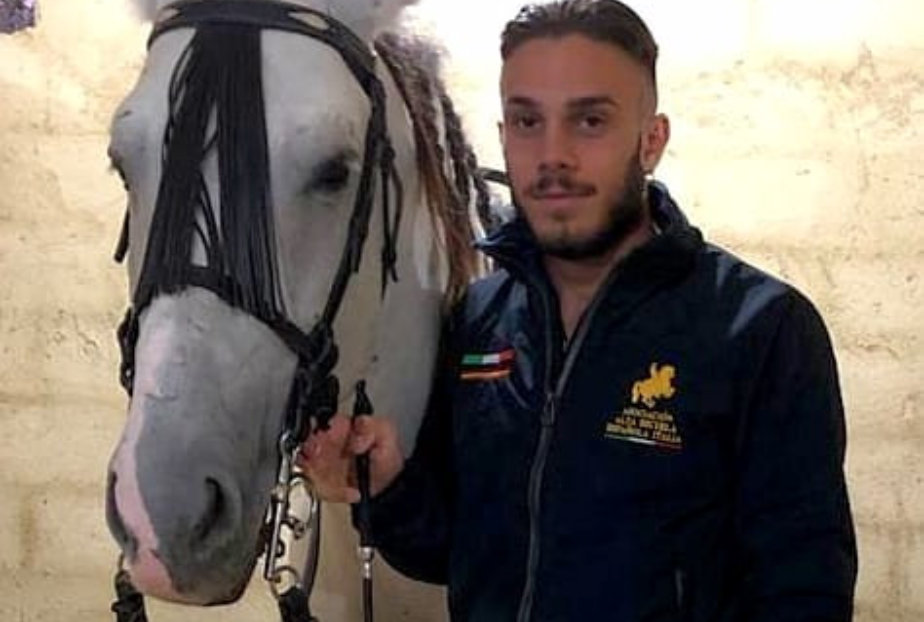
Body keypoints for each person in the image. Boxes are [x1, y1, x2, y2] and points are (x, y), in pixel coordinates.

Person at [298, 1, 858, 620]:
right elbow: (453, 550)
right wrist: (387, 488)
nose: (552, 154)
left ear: (651, 141)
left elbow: (804, 590)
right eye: (527, 121)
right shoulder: (480, 317)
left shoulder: (761, 328)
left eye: (589, 120)